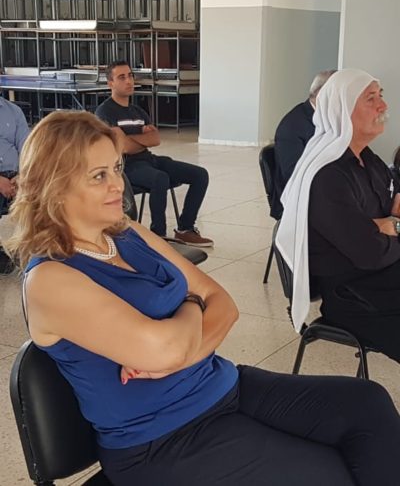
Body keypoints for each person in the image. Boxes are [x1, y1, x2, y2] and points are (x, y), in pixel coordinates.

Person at [6, 110, 400, 486]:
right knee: (329, 473)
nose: (118, 185)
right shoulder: (51, 279)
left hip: (223, 386)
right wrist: (192, 306)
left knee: (366, 403)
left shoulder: (125, 232)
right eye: (98, 176)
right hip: (163, 439)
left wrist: (181, 343)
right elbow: (175, 339)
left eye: (116, 168)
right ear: (55, 187)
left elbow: (223, 303)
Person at [275, 68, 400, 365]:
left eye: (380, 96)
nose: (383, 106)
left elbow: (389, 212)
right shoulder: (327, 175)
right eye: (371, 99)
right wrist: (390, 226)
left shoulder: (366, 158)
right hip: (355, 295)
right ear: (342, 109)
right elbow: (369, 252)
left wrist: (386, 226)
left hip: (382, 276)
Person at [95, 60, 213, 247]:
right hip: (125, 166)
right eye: (122, 77)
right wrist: (141, 137)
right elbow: (122, 147)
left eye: (130, 76)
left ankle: (185, 229)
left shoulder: (138, 111)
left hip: (148, 159)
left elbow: (155, 139)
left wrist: (130, 138)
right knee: (160, 178)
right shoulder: (105, 112)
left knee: (200, 175)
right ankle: (158, 235)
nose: (129, 81)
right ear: (110, 83)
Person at [272, 70, 336, 219]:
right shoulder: (293, 126)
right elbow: (294, 175)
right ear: (321, 94)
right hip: (298, 200)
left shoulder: (329, 118)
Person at [0, 95, 30, 273]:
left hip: (16, 175)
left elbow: (27, 148)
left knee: (43, 196)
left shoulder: (14, 111)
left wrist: (22, 176)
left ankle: (28, 247)